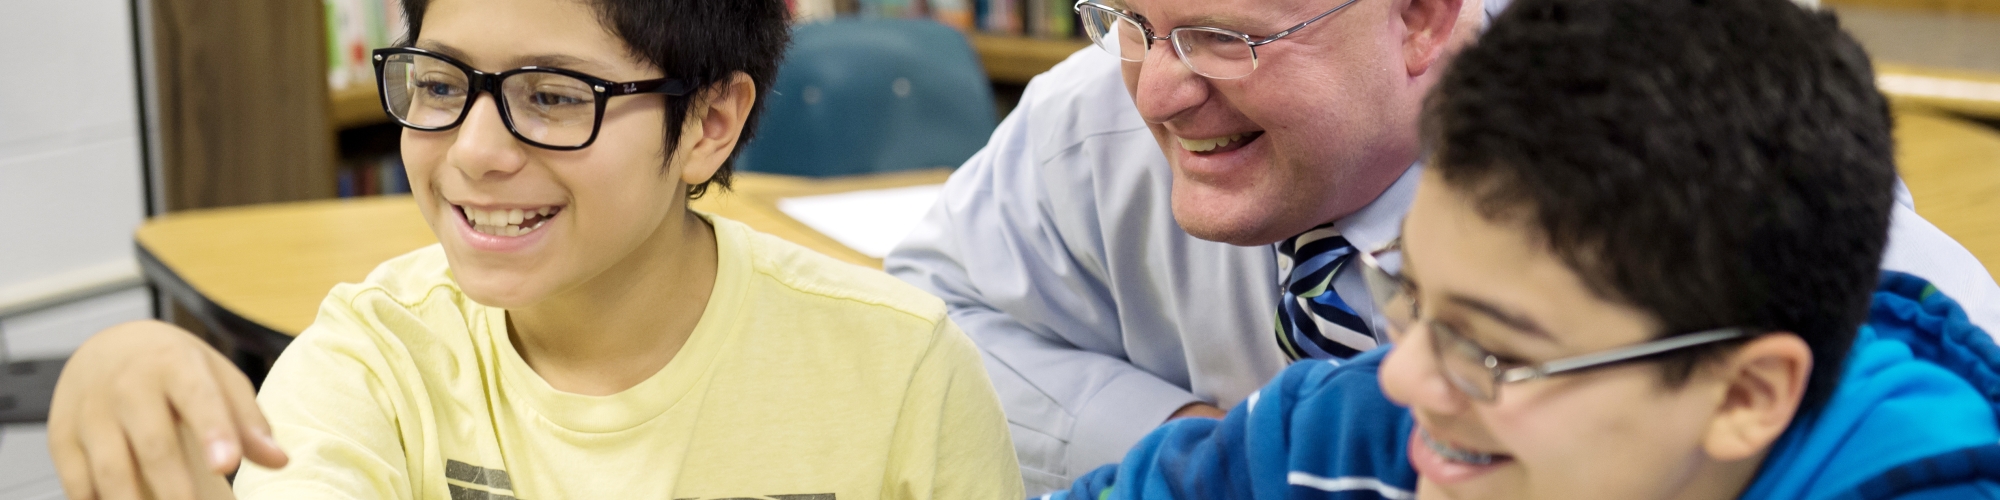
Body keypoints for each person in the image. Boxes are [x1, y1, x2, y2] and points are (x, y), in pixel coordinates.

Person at [883, 0, 2000, 492]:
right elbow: (914, 331)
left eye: (1225, 38)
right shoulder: (1355, 422)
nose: (1156, 84)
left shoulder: (1682, 138)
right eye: (1124, 19)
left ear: (1425, 22)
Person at [46, 0, 1023, 498]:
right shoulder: (373, 363)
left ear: (711, 121)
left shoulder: (902, 372)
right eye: (437, 83)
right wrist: (125, 365)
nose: (472, 152)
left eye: (553, 97)